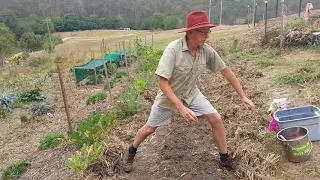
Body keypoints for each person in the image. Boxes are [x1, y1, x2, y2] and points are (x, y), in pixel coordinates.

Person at [122, 10, 255, 172]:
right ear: (191, 32)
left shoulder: (206, 51)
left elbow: (226, 71)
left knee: (216, 118)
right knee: (150, 128)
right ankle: (132, 151)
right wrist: (180, 107)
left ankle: (224, 158)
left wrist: (243, 96)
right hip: (168, 98)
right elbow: (163, 83)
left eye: (208, 31)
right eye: (203, 32)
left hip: (191, 93)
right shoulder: (173, 50)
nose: (207, 36)